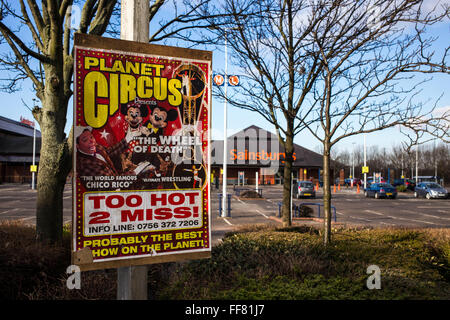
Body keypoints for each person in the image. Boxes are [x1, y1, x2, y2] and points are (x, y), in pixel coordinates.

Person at [75, 126, 152, 178]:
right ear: (77, 146)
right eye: (85, 140)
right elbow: (111, 182)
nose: (91, 141)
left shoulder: (96, 147)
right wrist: (136, 171)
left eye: (91, 137)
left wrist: (127, 139)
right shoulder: (85, 164)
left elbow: (109, 152)